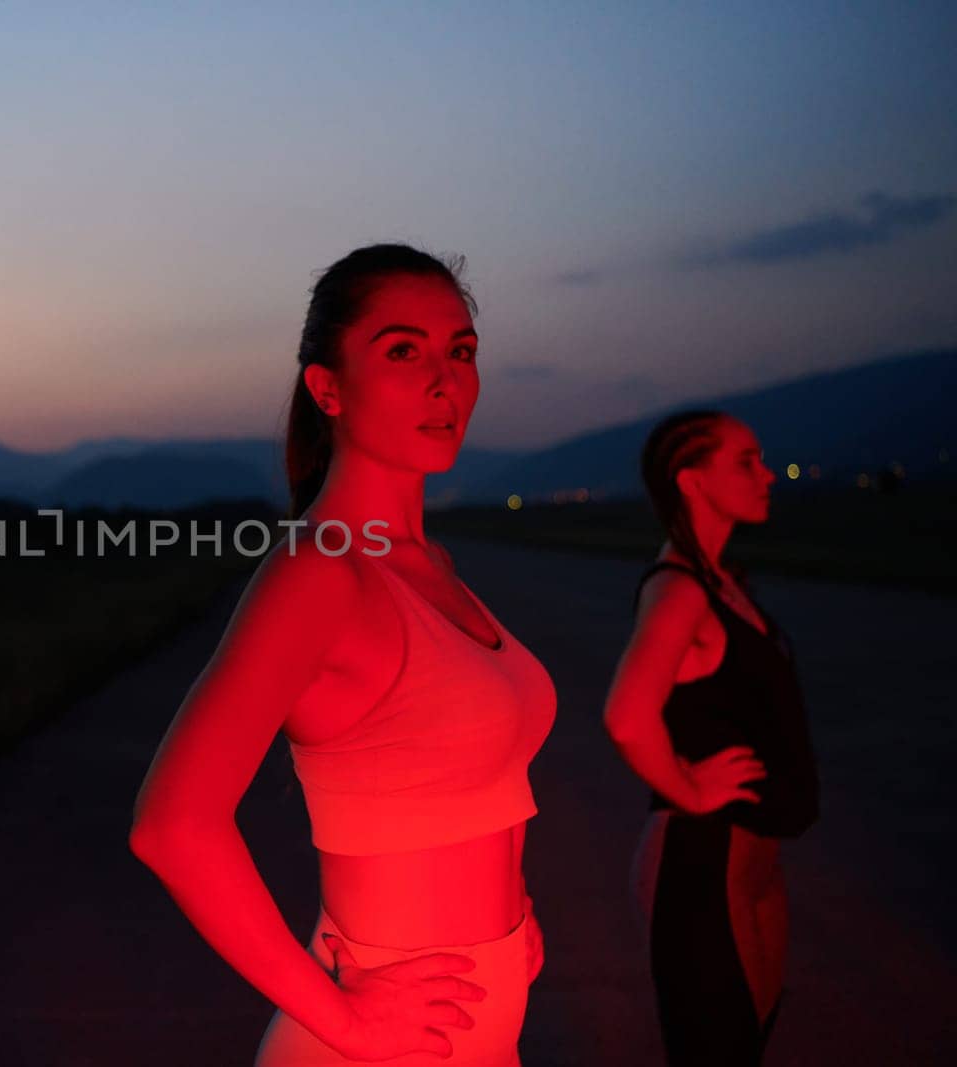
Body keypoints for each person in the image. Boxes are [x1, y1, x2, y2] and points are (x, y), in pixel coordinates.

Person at [129, 244, 556, 1065]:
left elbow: (452, 782)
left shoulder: (429, 568)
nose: (444, 379)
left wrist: (511, 914)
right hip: (383, 1045)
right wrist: (346, 1019)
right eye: (403, 350)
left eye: (460, 351)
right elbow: (172, 826)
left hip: (476, 1022)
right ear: (327, 388)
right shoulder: (321, 570)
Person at [601, 411, 820, 1065]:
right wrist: (690, 790)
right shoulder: (678, 591)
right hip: (702, 865)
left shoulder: (722, 581)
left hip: (753, 863)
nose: (766, 475)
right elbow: (626, 714)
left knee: (743, 1046)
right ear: (692, 482)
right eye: (745, 461)